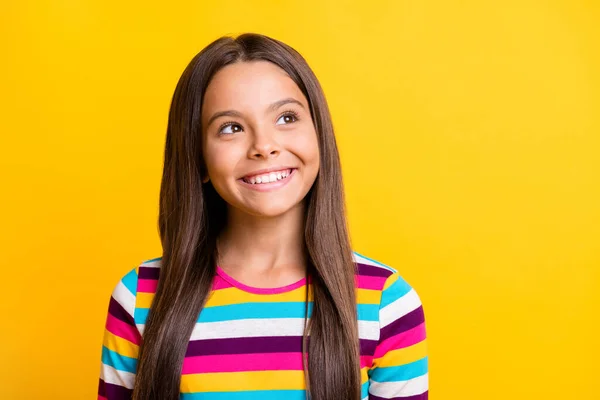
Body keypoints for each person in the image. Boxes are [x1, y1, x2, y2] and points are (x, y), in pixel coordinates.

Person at [97, 33, 428, 400]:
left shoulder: (386, 302)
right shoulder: (141, 296)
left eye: (286, 117)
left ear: (319, 134)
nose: (264, 146)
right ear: (198, 157)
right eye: (231, 128)